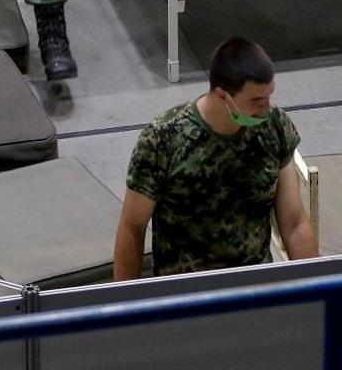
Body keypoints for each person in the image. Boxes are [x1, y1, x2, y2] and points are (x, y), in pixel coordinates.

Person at [113, 38, 317, 279]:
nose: (265, 109)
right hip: (186, 295)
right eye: (255, 101)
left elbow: (294, 224)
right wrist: (129, 309)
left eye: (268, 97)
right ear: (222, 96)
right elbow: (132, 228)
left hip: (255, 288)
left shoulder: (274, 127)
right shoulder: (163, 139)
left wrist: (317, 294)